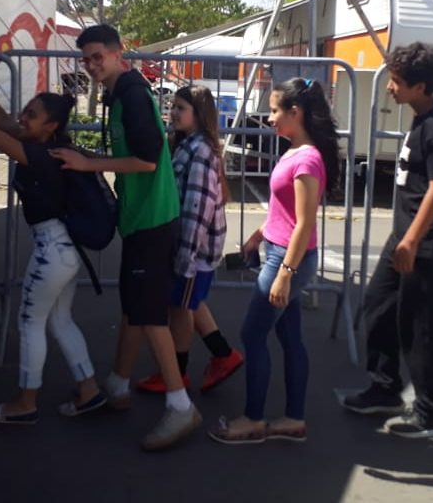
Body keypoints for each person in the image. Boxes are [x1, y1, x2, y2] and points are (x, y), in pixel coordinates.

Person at [50, 24, 200, 451]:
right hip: (142, 218)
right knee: (135, 307)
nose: (91, 65)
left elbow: (148, 161)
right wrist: (86, 156)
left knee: (149, 314)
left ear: (120, 54)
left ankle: (180, 405)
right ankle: (117, 384)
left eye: (98, 56)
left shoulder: (132, 95)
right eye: (86, 59)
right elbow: (132, 154)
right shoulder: (121, 94)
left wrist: (87, 165)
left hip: (152, 219)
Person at [0, 68, 104, 424]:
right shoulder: (44, 145)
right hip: (66, 250)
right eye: (26, 110)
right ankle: (89, 390)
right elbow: (2, 122)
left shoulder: (43, 155)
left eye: (32, 115)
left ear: (50, 126)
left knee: (29, 321)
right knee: (59, 319)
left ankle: (26, 403)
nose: (23, 118)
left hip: (53, 250)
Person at [339, 43, 433, 439]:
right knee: (378, 305)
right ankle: (385, 388)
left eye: (396, 81)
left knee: (421, 327)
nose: (390, 87)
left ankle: (432, 415)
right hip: (406, 237)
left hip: (424, 242)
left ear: (420, 87)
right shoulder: (422, 118)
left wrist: (410, 241)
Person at [208, 77, 338, 445]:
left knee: (252, 334)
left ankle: (253, 420)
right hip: (282, 254)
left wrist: (285, 274)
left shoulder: (307, 159)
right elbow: (285, 213)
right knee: (289, 336)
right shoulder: (294, 151)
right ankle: (293, 419)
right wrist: (259, 235)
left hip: (288, 260)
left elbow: (304, 223)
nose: (269, 118)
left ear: (295, 113)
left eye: (275, 110)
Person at [137, 85, 243, 394]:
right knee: (189, 302)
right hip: (192, 247)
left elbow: (197, 208)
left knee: (180, 308)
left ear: (199, 114)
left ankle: (177, 372)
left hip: (193, 249)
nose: (173, 112)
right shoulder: (190, 144)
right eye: (172, 106)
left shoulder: (199, 151)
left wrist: (185, 257)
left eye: (180, 108)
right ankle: (224, 355)